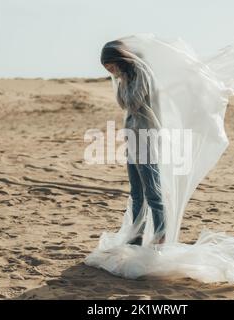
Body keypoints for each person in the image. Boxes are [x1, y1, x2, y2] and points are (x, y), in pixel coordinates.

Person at [100, 40, 166, 246]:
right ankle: (136, 234)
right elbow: (122, 103)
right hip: (133, 137)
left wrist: (125, 80)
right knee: (136, 192)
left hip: (146, 136)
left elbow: (133, 102)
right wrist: (121, 79)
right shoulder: (126, 77)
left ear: (120, 60)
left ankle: (161, 234)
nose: (111, 71)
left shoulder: (140, 73)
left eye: (111, 66)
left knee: (153, 191)